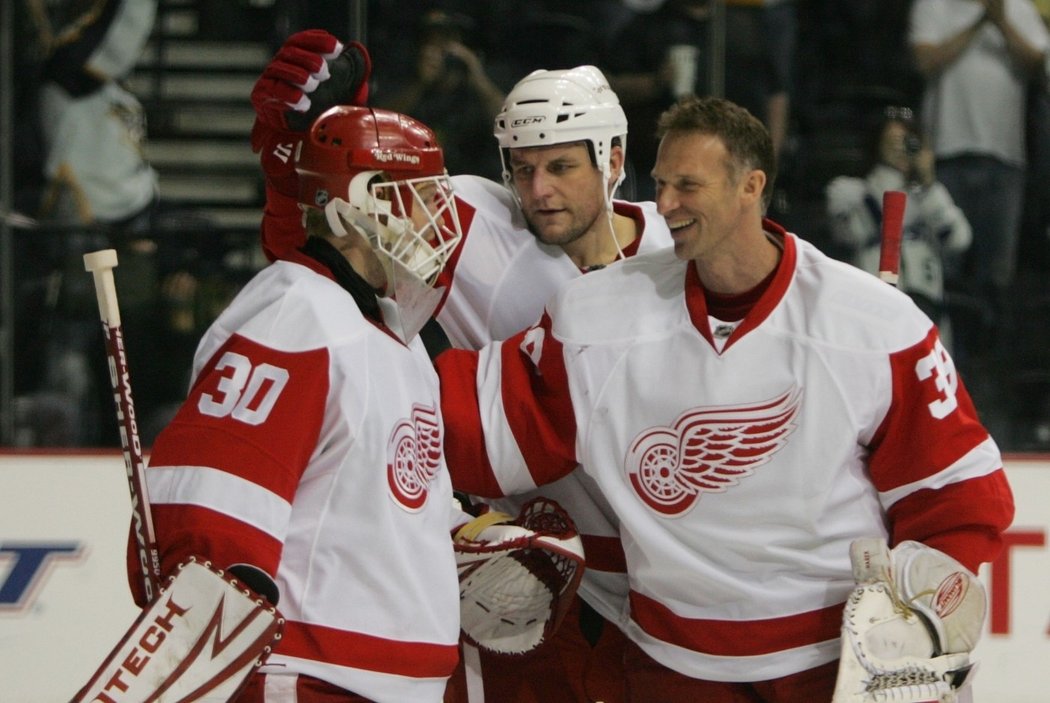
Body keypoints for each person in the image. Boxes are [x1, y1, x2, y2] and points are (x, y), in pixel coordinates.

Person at [435, 95, 1015, 701]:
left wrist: (926, 614)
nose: (664, 205)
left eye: (688, 185)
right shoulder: (596, 315)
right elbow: (467, 427)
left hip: (834, 663)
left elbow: (957, 497)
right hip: (674, 665)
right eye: (660, 183)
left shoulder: (873, 326)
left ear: (750, 186)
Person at [252, 33, 674, 702]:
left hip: (671, 581)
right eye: (523, 168)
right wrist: (309, 149)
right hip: (539, 581)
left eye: (562, 167)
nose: (539, 190)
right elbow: (324, 251)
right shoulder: (475, 219)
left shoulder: (676, 245)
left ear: (613, 157)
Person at [132, 80, 474, 699]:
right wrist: (216, 597)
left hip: (386, 681)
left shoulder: (395, 330)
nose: (438, 218)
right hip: (315, 676)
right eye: (419, 197)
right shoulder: (299, 315)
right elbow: (215, 486)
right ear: (362, 205)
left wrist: (474, 538)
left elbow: (384, 496)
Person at [908, 0, 1049, 353]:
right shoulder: (934, 5)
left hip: (1004, 157)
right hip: (945, 153)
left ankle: (991, 367)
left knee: (996, 275)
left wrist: (1001, 22)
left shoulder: (1018, 7)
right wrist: (979, 23)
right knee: (944, 268)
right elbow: (924, 60)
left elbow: (1040, 67)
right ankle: (941, 358)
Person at [826, 105, 972, 350]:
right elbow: (852, 232)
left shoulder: (929, 194)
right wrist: (889, 175)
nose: (901, 151)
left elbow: (959, 239)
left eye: (907, 143)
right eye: (892, 142)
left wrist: (926, 185)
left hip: (927, 312)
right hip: (870, 313)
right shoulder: (848, 190)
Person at [378, 9, 505, 180]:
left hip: (479, 180)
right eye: (432, 43)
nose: (440, 52)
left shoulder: (483, 79)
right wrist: (420, 84)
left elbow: (509, 124)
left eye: (446, 42)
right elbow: (381, 126)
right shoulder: (407, 81)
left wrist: (477, 78)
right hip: (421, 180)